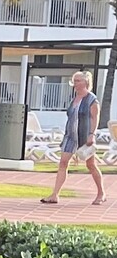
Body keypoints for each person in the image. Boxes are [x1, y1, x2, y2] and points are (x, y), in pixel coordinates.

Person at [42, 71, 105, 206]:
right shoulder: (74, 99)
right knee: (63, 163)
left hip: (84, 136)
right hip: (71, 136)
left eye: (78, 81)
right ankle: (55, 194)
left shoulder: (92, 100)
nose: (75, 84)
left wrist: (92, 134)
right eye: (74, 81)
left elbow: (95, 118)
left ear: (85, 82)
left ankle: (101, 193)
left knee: (91, 165)